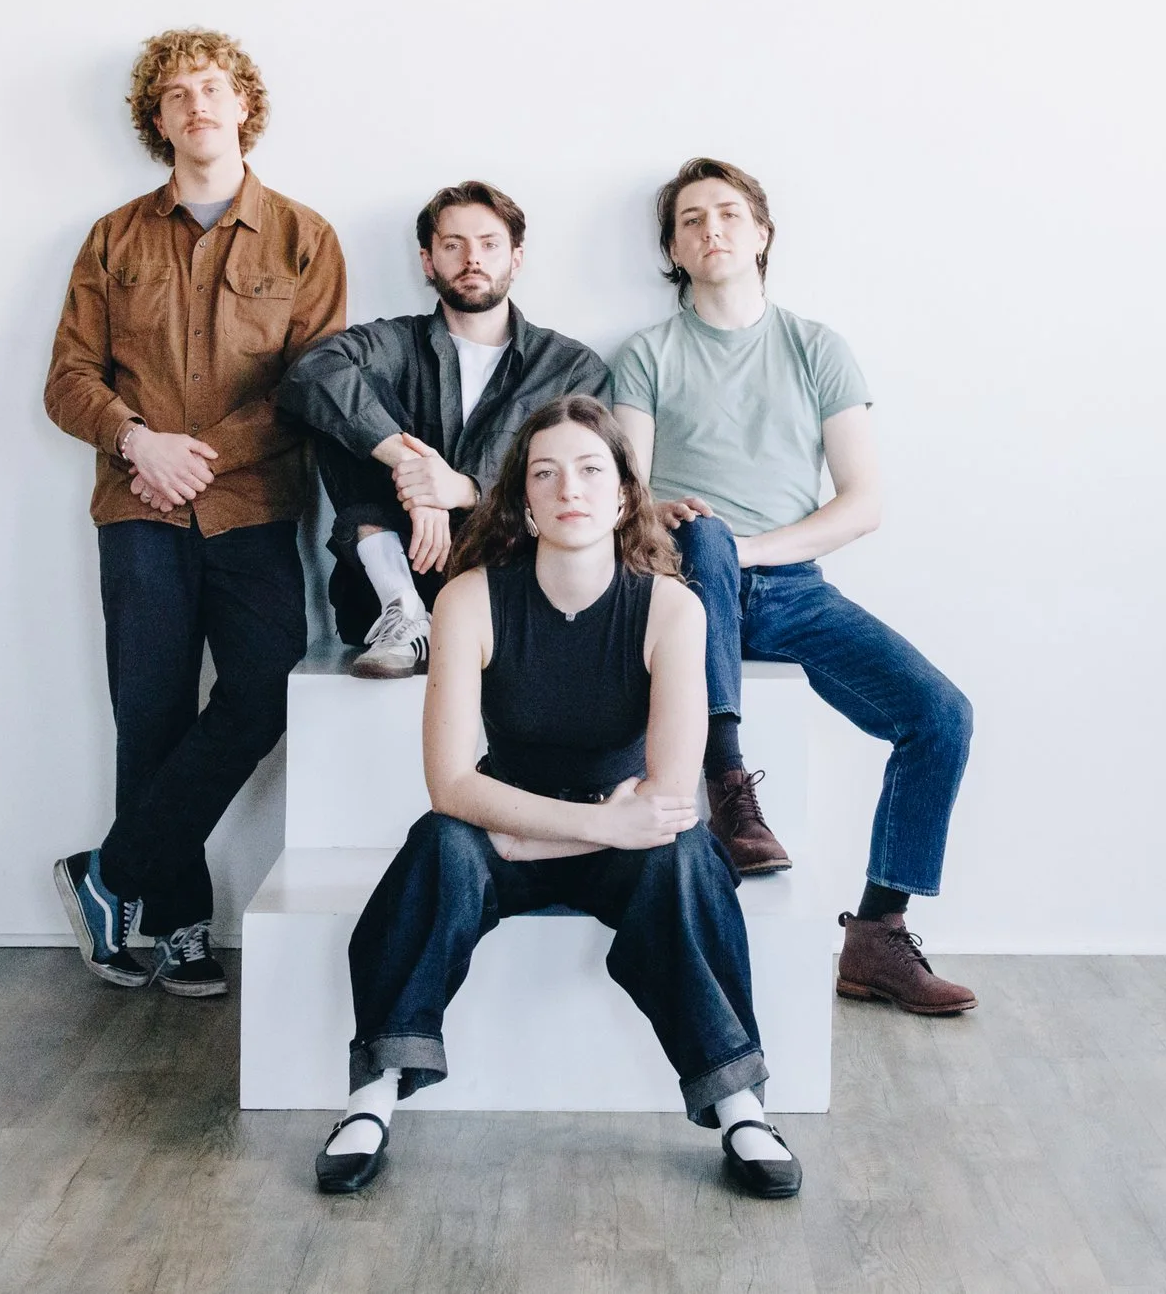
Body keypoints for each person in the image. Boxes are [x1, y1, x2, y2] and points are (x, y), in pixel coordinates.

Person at [315, 396, 801, 1201]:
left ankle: (739, 1101)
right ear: (524, 501)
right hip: (521, 822)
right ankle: (373, 1095)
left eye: (589, 470)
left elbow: (670, 799)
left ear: (621, 497)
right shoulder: (470, 597)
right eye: (545, 473)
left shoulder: (672, 606)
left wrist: (555, 836)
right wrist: (593, 823)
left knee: (685, 856)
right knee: (440, 842)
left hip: (592, 839)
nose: (568, 487)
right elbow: (452, 785)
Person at [611, 158, 977, 1016]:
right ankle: (730, 788)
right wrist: (672, 520)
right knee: (702, 534)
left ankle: (879, 934)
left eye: (730, 214)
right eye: (692, 220)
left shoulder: (818, 348)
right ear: (673, 246)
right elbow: (621, 497)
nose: (713, 231)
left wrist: (756, 548)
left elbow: (863, 504)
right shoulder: (646, 353)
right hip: (681, 582)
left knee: (942, 715)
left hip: (792, 587)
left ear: (763, 233)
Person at [42, 28, 347, 997]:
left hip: (254, 507)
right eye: (174, 95)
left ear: (243, 105)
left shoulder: (305, 235)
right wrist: (139, 443)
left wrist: (195, 457)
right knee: (150, 713)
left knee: (261, 692)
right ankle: (175, 923)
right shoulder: (114, 236)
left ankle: (107, 875)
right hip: (136, 508)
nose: (195, 105)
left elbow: (315, 384)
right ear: (156, 120)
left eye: (211, 87)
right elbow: (67, 379)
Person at [276, 181, 607, 678]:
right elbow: (309, 374)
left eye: (489, 244)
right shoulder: (397, 341)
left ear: (516, 258)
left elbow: (587, 479)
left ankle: (433, 616)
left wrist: (463, 489)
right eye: (453, 245)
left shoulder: (568, 367)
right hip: (393, 576)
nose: (472, 259)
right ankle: (405, 613)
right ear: (428, 261)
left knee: (563, 447)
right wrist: (413, 469)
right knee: (342, 395)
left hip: (504, 576)